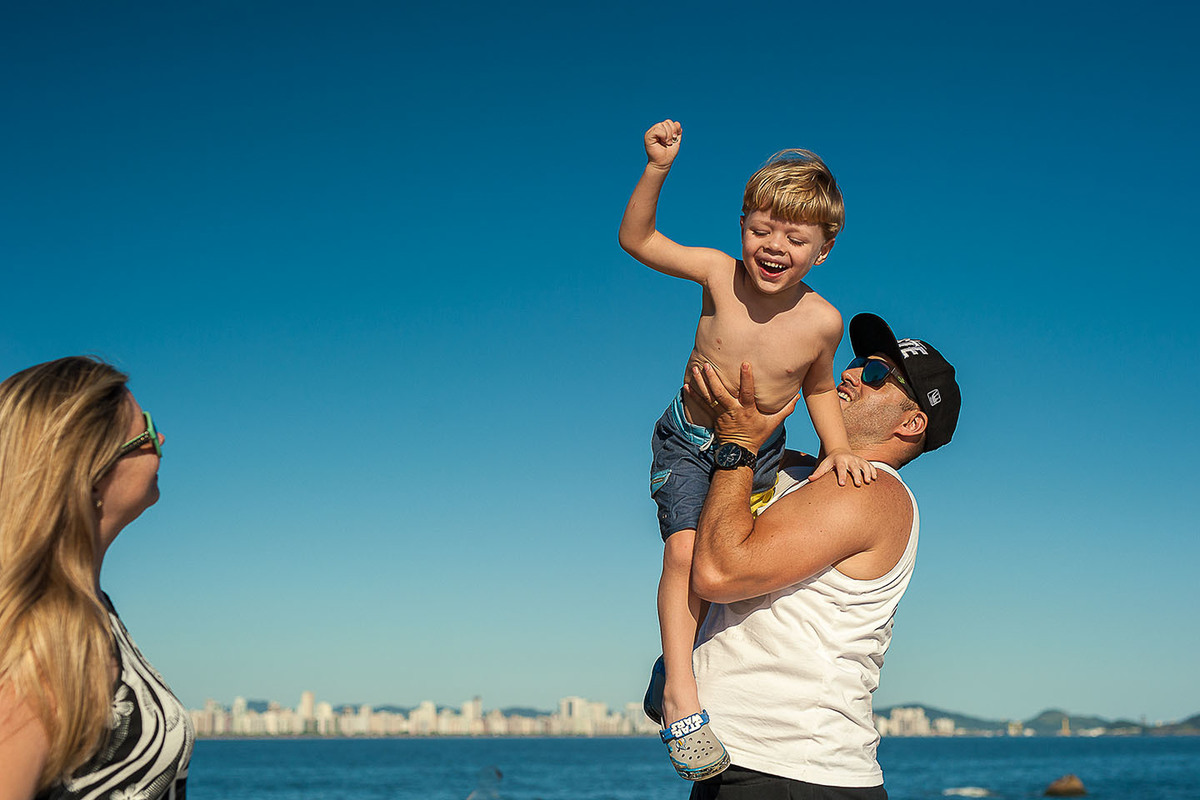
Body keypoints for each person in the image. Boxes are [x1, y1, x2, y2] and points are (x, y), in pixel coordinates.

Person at [618, 119, 874, 779]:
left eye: (795, 237)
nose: (773, 246)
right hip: (688, 438)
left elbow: (819, 385)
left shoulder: (822, 321)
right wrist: (656, 169)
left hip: (759, 455)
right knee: (684, 555)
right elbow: (637, 239)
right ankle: (682, 701)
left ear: (823, 250)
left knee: (727, 571)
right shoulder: (715, 273)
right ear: (741, 226)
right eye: (761, 229)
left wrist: (837, 449)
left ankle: (676, 660)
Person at [684, 313, 960, 799]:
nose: (849, 374)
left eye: (875, 375)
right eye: (855, 362)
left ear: (912, 422)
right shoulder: (798, 473)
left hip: (794, 774)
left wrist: (740, 444)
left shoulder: (868, 489)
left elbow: (718, 570)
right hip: (753, 765)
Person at [0, 357, 193, 800]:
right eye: (145, 432)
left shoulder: (89, 608)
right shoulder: (33, 643)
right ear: (89, 470)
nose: (160, 439)